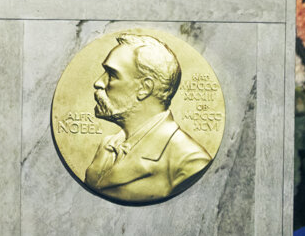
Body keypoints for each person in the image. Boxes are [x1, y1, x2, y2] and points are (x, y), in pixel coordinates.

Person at [84, 33, 211, 202]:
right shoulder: (108, 146)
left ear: (145, 88)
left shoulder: (190, 162)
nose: (98, 83)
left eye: (112, 75)